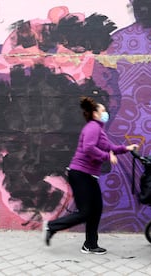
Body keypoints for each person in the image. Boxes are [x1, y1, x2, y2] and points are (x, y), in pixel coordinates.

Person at [43, 96, 139, 255]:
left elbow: (110, 147)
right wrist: (107, 157)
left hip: (87, 176)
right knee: (85, 212)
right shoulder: (92, 127)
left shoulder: (98, 129)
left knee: (96, 209)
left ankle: (90, 244)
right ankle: (51, 227)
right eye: (103, 110)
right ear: (95, 114)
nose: (106, 112)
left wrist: (126, 149)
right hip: (80, 174)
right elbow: (88, 148)